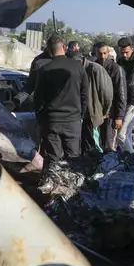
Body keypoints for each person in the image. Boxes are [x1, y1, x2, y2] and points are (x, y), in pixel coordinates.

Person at [33, 36, 88, 169]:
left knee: (53, 158)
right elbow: (85, 95)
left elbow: (37, 98)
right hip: (72, 121)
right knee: (73, 158)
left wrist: (41, 119)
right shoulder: (78, 67)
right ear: (64, 47)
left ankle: (51, 186)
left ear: (49, 50)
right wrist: (80, 116)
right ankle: (73, 186)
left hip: (51, 122)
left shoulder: (45, 69)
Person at [69, 50, 114, 155]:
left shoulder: (95, 69)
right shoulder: (76, 69)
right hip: (78, 115)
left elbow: (106, 93)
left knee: (93, 146)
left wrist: (105, 112)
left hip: (92, 115)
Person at [94, 42, 127, 152]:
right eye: (100, 54)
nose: (102, 56)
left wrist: (119, 116)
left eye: (104, 53)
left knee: (109, 144)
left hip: (111, 113)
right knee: (97, 143)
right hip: (96, 113)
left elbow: (121, 94)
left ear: (108, 53)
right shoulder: (93, 67)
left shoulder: (116, 69)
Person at [116, 37, 134, 153]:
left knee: (121, 134)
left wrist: (119, 87)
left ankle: (130, 157)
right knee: (127, 132)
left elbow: (133, 83)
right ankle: (130, 155)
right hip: (124, 101)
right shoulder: (120, 61)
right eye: (122, 52)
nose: (124, 55)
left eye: (126, 52)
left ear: (132, 49)